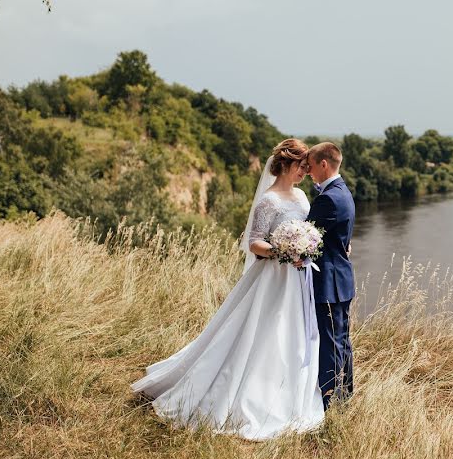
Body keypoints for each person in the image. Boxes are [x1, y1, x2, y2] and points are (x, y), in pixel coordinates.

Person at [130, 139, 324, 440]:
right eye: (301, 166)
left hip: (297, 280)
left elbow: (307, 229)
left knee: (290, 334)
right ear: (286, 164)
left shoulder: (301, 197)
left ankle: (286, 390)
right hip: (272, 277)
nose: (304, 172)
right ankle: (245, 395)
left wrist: (305, 246)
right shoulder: (268, 201)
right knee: (261, 334)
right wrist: (282, 250)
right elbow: (255, 243)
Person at [305, 142, 356, 409]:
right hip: (341, 280)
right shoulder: (343, 191)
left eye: (311, 167)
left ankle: (329, 403)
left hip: (329, 283)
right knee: (341, 341)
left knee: (330, 343)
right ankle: (344, 396)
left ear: (324, 164)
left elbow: (305, 236)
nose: (309, 172)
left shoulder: (328, 199)